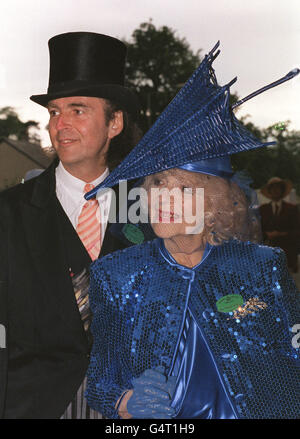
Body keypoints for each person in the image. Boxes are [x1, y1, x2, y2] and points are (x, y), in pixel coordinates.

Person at [85, 42, 300, 419]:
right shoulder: (115, 275)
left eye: (184, 189)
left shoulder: (261, 266)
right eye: (156, 185)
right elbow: (102, 378)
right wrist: (124, 402)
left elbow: (293, 351)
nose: (162, 198)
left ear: (214, 203)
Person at [0, 31, 146, 419]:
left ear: (114, 122)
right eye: (53, 112)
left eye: (77, 110)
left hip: (130, 411)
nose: (60, 124)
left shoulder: (152, 211)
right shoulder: (8, 213)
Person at [260, 177, 300, 273]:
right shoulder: (263, 209)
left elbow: (298, 231)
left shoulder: (292, 209)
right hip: (268, 257)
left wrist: (282, 234)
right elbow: (258, 231)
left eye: (278, 188)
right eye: (272, 188)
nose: (275, 190)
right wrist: (267, 235)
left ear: (282, 190)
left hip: (287, 256)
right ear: (269, 191)